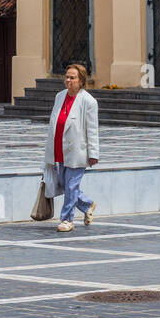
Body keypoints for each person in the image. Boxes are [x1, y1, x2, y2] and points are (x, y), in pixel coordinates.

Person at [43, 63, 99, 233]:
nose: (68, 80)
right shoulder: (59, 96)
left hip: (77, 152)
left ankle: (67, 219)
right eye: (66, 77)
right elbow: (54, 122)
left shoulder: (88, 101)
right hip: (59, 148)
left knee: (71, 186)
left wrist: (93, 153)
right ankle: (87, 204)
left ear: (81, 81)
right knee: (65, 185)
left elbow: (92, 129)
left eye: (72, 78)